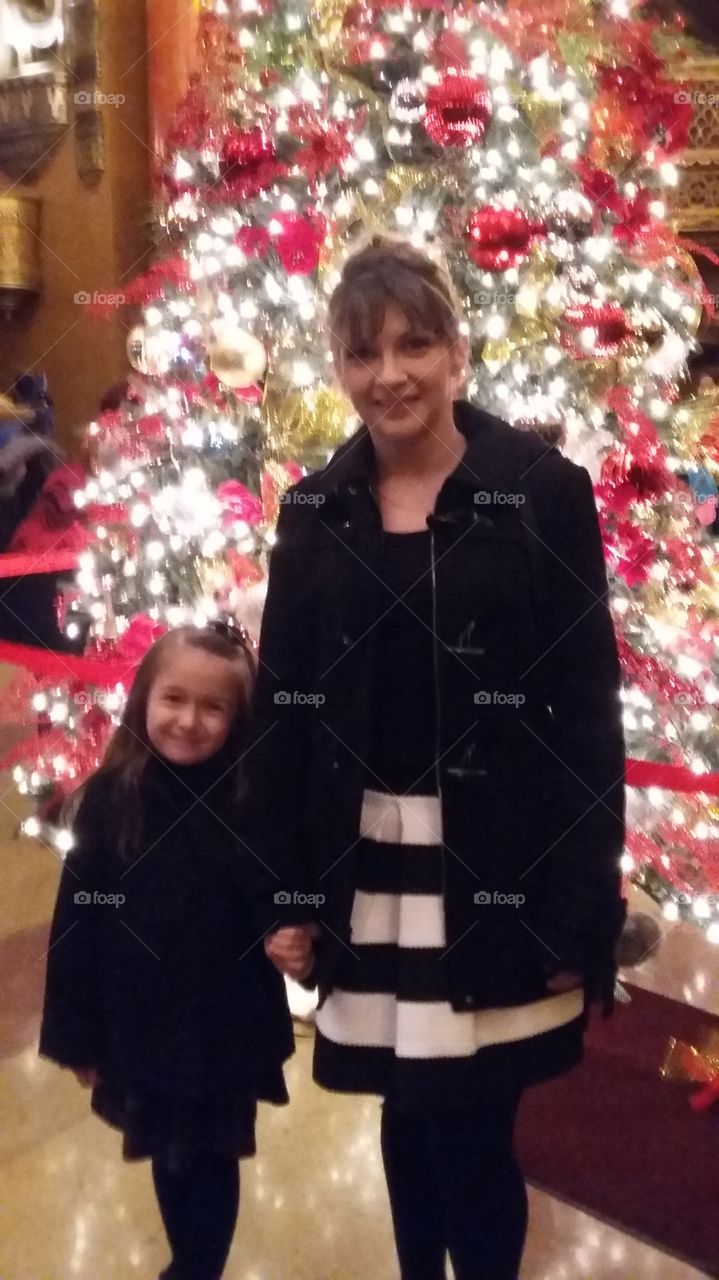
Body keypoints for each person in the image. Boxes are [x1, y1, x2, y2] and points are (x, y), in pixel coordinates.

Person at [245, 234, 627, 1280]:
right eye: (361, 353)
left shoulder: (540, 491)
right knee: (407, 1116)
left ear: (457, 354)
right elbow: (283, 710)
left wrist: (580, 900)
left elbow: (587, 708)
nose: (389, 374)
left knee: (475, 1129)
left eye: (414, 344)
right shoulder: (314, 510)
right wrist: (284, 890)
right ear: (337, 367)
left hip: (498, 867)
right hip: (362, 872)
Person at [39, 621, 295, 1280]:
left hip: (226, 1023)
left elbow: (281, 884)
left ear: (239, 719)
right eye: (173, 699)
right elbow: (78, 924)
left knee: (212, 1155)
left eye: (214, 707)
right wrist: (77, 1036)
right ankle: (188, 1261)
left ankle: (196, 1268)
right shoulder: (111, 799)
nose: (189, 720)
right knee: (165, 1152)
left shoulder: (252, 798)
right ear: (143, 701)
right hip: (140, 1022)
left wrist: (293, 926)